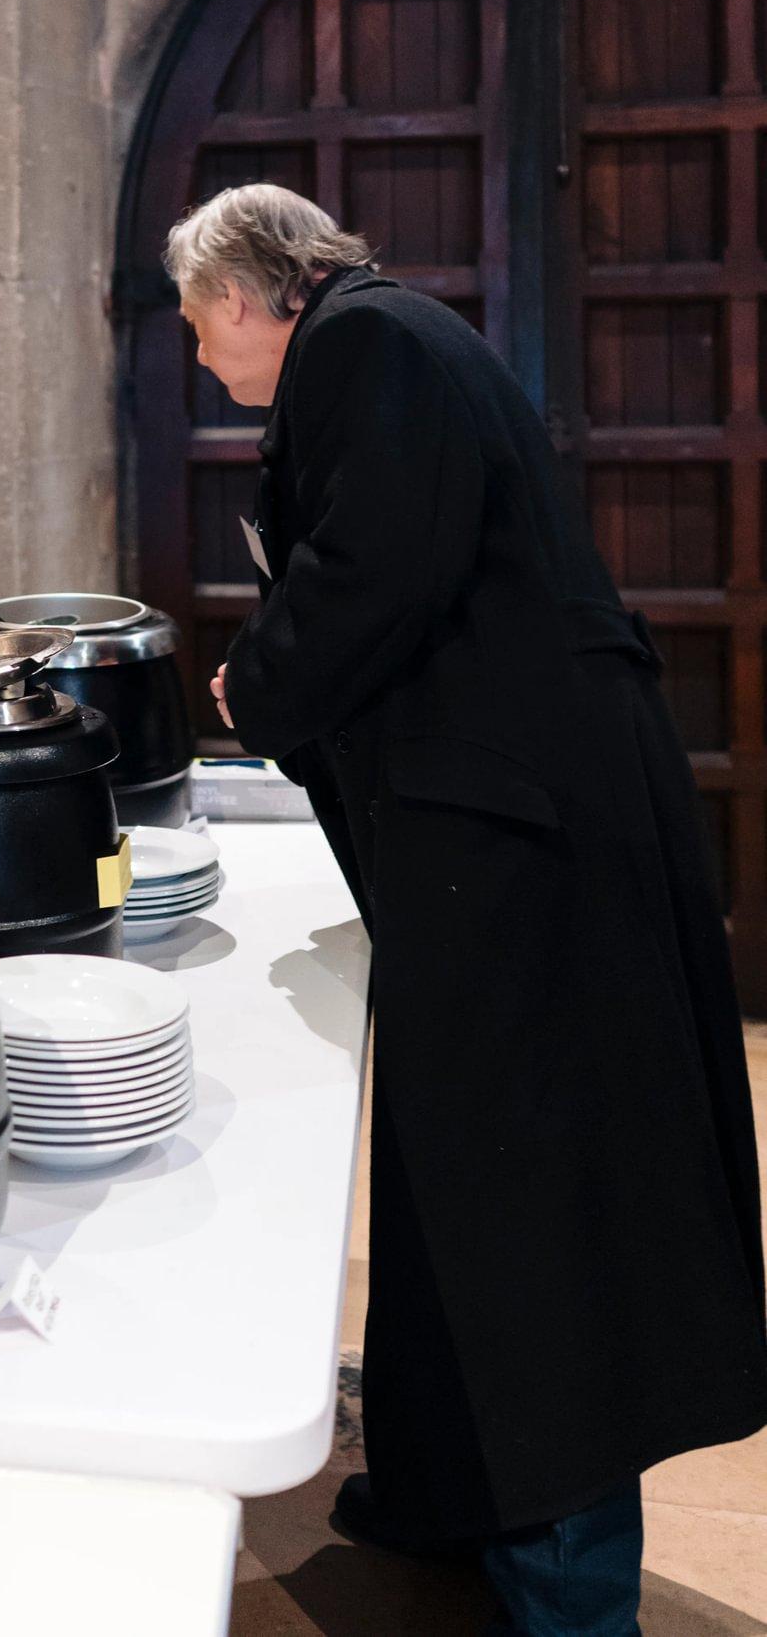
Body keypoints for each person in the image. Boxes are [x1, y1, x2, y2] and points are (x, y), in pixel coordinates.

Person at [168, 182, 767, 1637]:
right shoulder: (385, 343)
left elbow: (375, 571)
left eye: (195, 321)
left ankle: (561, 1593)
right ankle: (443, 1494)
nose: (195, 353)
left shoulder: (367, 349)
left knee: (534, 1193)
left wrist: (260, 683)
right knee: (457, 1173)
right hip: (500, 822)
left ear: (251, 293)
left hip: (520, 840)